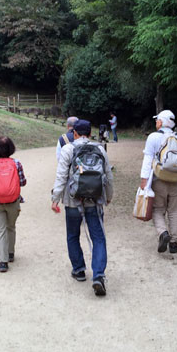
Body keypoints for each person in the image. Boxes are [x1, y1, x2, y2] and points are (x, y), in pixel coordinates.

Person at [51, 119, 114, 296]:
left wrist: (55, 198)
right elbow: (108, 176)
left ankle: (79, 270)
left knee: (73, 235)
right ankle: (99, 275)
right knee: (98, 238)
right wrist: (108, 196)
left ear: (75, 133)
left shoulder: (67, 149)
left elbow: (61, 176)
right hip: (95, 201)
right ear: (90, 133)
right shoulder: (100, 149)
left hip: (73, 200)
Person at [140, 110, 177, 254]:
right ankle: (174, 243)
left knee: (157, 209)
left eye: (157, 120)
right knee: (176, 211)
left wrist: (144, 181)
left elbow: (147, 160)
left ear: (161, 122)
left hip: (159, 180)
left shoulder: (153, 137)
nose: (156, 122)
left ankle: (163, 233)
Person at [0, 136, 27, 272]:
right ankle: (11, 253)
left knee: (0, 231)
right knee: (11, 227)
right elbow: (23, 182)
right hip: (13, 201)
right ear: (11, 149)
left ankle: (3, 261)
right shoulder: (17, 163)